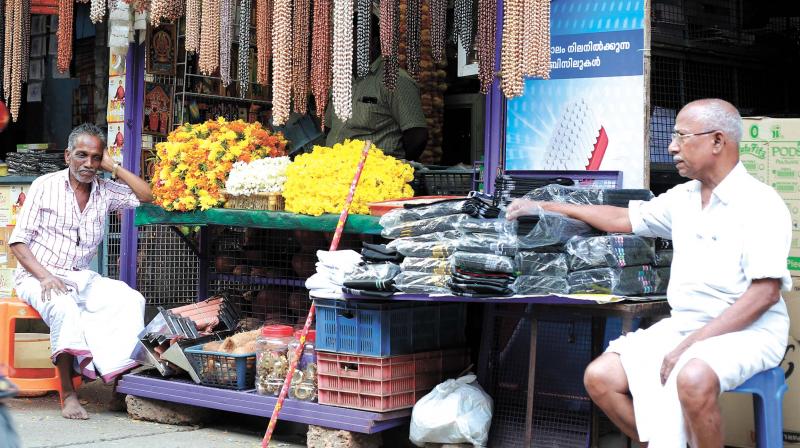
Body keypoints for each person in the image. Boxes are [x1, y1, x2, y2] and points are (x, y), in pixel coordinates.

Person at [506, 99, 792, 447]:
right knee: (600, 377)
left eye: (682, 136)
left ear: (718, 141)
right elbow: (622, 219)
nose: (672, 147)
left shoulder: (760, 203)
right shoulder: (683, 198)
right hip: (687, 325)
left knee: (693, 376)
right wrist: (545, 206)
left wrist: (691, 344)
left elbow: (764, 295)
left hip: (749, 331)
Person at [9, 123, 154, 420]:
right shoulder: (45, 186)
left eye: (95, 158)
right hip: (37, 275)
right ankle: (68, 393)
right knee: (63, 306)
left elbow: (146, 195)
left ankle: (117, 381)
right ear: (67, 156)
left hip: (79, 276)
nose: (88, 164)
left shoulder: (105, 190)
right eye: (82, 155)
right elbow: (19, 242)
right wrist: (45, 276)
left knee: (130, 300)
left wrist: (114, 166)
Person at [325, 16, 428, 161]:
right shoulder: (341, 80)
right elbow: (329, 128)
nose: (343, 48)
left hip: (373, 176)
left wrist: (391, 165)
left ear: (372, 43)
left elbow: (417, 135)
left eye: (352, 41)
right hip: (334, 172)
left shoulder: (395, 79)